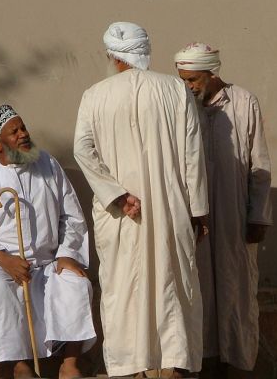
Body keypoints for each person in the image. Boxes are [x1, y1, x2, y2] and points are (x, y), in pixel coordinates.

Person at [74, 22, 209, 378]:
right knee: (173, 287)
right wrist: (198, 211)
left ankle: (129, 369)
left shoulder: (94, 95)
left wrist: (116, 195)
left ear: (112, 56)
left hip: (120, 216)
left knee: (123, 289)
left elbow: (82, 151)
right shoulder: (175, 91)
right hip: (171, 210)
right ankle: (174, 367)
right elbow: (193, 156)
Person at [0, 104, 96, 379]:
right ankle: (17, 364)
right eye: (14, 131)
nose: (23, 134)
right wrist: (3, 260)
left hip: (47, 259)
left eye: (23, 128)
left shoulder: (49, 165)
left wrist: (66, 254)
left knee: (75, 283)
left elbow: (72, 216)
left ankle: (70, 364)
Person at [174, 42, 272, 378]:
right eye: (183, 79)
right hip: (195, 217)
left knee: (236, 290)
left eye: (193, 80)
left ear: (211, 72)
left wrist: (259, 215)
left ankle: (237, 364)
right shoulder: (180, 107)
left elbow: (259, 165)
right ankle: (200, 363)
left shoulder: (244, 102)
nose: (188, 86)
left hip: (234, 215)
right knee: (198, 290)